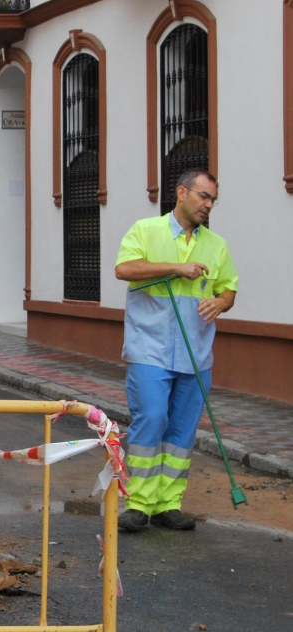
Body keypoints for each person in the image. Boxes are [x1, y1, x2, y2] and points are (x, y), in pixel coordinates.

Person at [114, 168, 238, 532]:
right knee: (151, 420)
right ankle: (138, 503)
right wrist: (175, 267)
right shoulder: (145, 231)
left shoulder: (217, 246)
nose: (208, 204)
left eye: (213, 199)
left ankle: (168, 504)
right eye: (203, 196)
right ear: (182, 193)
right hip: (149, 350)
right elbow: (124, 269)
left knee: (182, 433)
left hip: (195, 355)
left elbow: (229, 289)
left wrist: (221, 303)